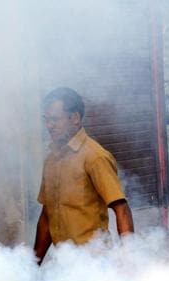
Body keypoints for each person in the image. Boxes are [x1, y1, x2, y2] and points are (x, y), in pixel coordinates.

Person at [33, 87, 134, 265]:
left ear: (75, 118)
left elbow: (121, 209)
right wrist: (33, 264)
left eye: (55, 120)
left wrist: (129, 260)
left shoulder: (94, 156)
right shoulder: (51, 159)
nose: (49, 125)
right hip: (65, 262)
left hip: (95, 263)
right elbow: (46, 216)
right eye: (46, 120)